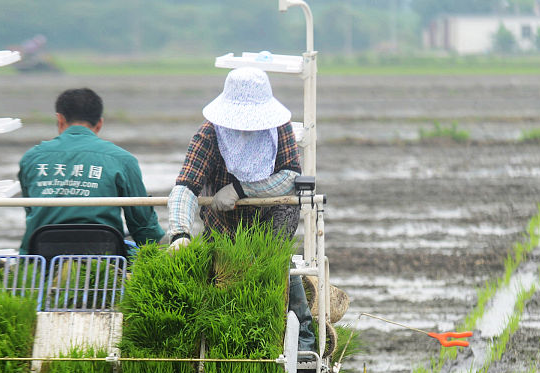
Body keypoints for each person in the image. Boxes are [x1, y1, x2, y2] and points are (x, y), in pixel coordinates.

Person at [167, 67, 317, 353]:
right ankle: (217, 342)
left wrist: (242, 190)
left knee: (277, 266)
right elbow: (185, 186)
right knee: (220, 276)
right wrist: (180, 233)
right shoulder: (209, 134)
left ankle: (303, 342)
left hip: (272, 215)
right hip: (222, 221)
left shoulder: (278, 128)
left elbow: (289, 176)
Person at [17, 88, 164, 254]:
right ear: (99, 123)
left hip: (41, 259)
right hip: (107, 259)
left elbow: (31, 212)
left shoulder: (31, 159)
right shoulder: (122, 160)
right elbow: (143, 224)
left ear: (60, 119)